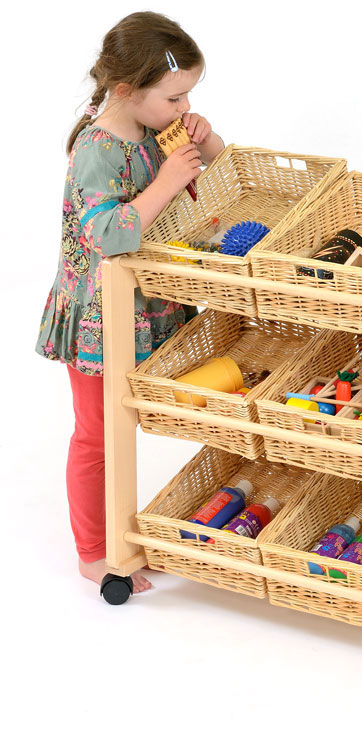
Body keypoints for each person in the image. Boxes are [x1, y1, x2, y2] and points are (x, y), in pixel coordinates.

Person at [36, 11, 225, 593]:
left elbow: (219, 178)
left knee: (140, 419)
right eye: (174, 98)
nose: (182, 106)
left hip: (149, 305)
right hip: (100, 316)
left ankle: (140, 530)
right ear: (124, 90)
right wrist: (166, 180)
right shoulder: (98, 148)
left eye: (189, 94)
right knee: (97, 433)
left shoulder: (153, 129)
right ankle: (95, 550)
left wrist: (206, 140)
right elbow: (109, 233)